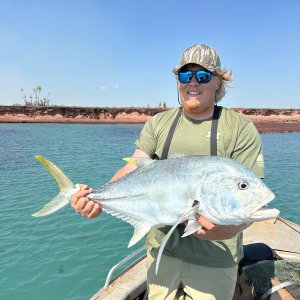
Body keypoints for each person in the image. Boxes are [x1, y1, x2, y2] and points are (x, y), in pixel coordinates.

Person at [71, 44, 264, 300]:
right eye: (185, 75)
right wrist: (95, 198)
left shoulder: (240, 128)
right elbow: (133, 167)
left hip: (215, 260)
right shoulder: (159, 124)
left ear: (218, 81)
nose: (192, 82)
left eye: (203, 76)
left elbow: (250, 197)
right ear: (178, 81)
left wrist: (233, 229)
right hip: (160, 253)